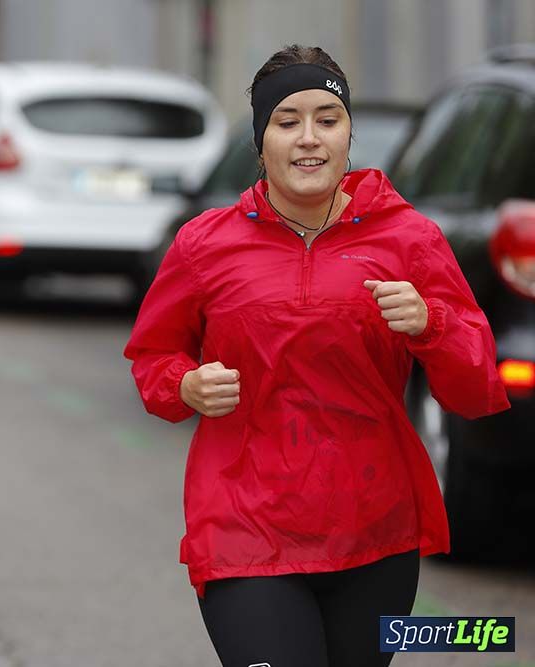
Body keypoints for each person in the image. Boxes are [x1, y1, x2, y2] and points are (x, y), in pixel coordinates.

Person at [124, 45, 510, 667]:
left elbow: (476, 389)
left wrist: (431, 324)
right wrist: (184, 384)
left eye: (327, 120)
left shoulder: (409, 239)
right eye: (287, 121)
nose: (309, 138)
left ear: (349, 133)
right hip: (245, 528)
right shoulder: (204, 244)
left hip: (374, 532)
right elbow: (153, 357)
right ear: (261, 141)